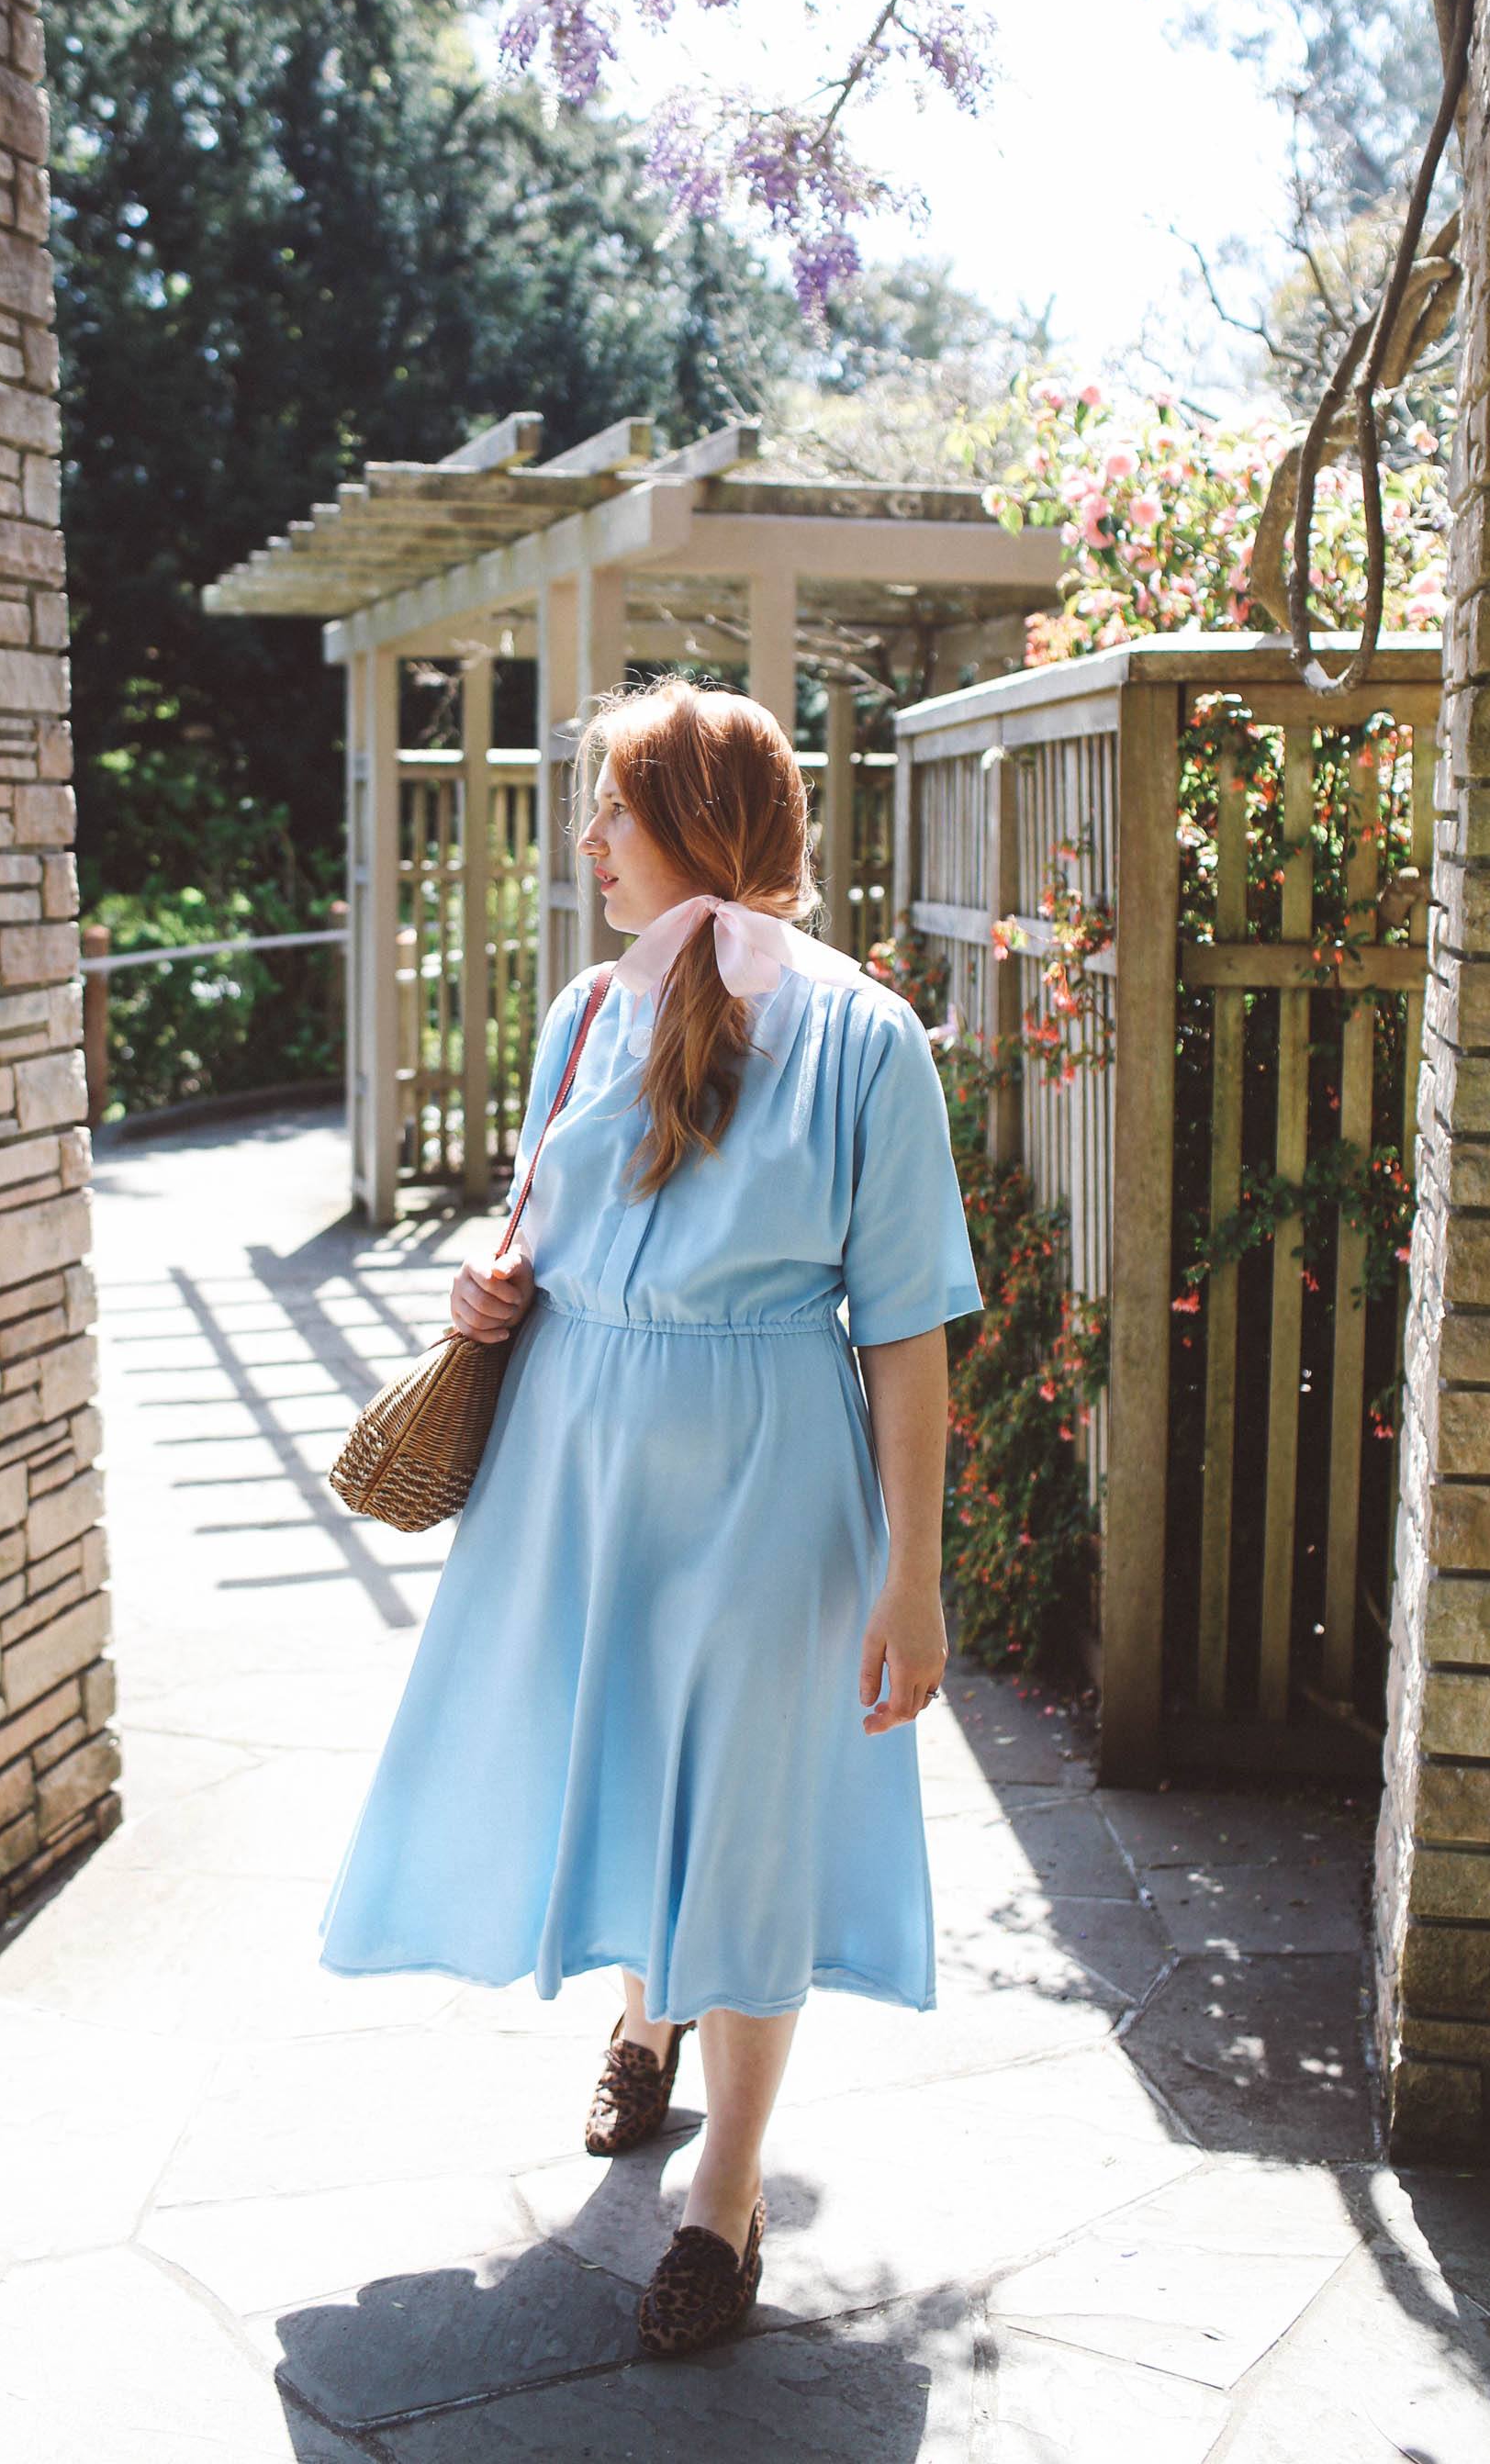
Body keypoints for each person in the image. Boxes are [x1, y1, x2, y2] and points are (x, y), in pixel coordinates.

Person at [316, 675, 981, 2358]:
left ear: (701, 819)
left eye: (617, 805)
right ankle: (644, 2020)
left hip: (770, 1479)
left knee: (750, 1817)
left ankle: (727, 2202)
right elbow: (551, 1227)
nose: (592, 838)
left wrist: (919, 1577)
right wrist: (490, 1287)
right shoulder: (585, 1016)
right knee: (616, 1761)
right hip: (576, 1460)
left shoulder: (862, 1038)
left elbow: (905, 1331)